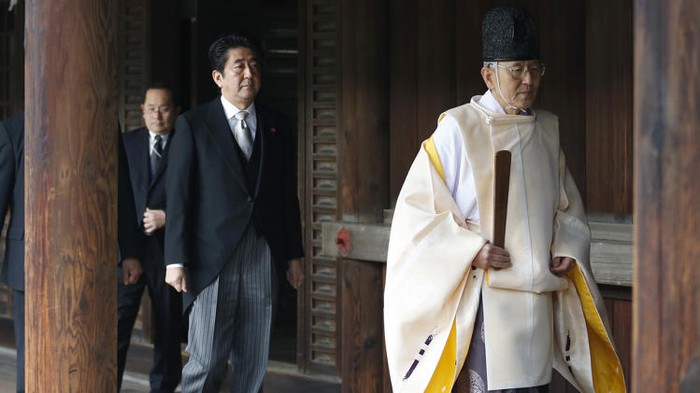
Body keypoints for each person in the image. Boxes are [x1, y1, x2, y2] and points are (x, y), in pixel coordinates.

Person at [384, 6, 626, 393]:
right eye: (516, 70)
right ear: (488, 74)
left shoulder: (547, 130)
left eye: (534, 69)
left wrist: (566, 244)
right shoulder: (457, 129)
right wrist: (469, 249)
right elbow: (418, 214)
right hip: (486, 293)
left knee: (536, 387)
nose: (528, 80)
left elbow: (566, 206)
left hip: (539, 293)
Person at [164, 33, 304, 392]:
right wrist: (175, 259)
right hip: (211, 257)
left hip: (262, 251)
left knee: (254, 361)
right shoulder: (193, 125)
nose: (248, 73)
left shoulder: (277, 124)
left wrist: (293, 255)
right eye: (239, 65)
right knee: (206, 360)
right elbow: (178, 196)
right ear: (218, 77)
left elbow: (288, 195)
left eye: (254, 65)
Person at [0, 113, 140, 393]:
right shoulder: (14, 128)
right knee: (32, 358)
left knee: (86, 354)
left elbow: (120, 188)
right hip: (28, 264)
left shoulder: (101, 120)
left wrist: (130, 251)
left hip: (89, 257)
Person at [118, 83, 183, 392]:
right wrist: (125, 250)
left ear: (176, 111)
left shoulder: (186, 144)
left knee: (169, 327)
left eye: (165, 108)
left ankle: (164, 388)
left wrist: (167, 216)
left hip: (168, 251)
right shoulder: (126, 143)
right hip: (130, 250)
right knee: (118, 323)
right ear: (142, 111)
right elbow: (117, 197)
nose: (158, 115)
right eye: (152, 108)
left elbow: (200, 195)